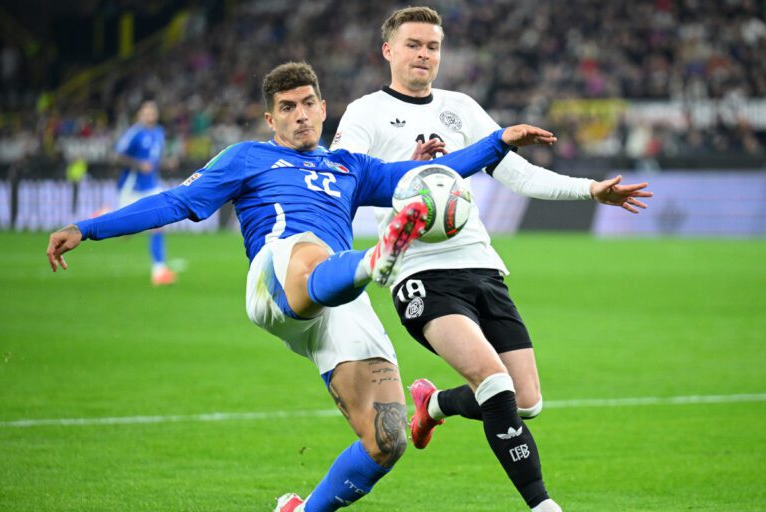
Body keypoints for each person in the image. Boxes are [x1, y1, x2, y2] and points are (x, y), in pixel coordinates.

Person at [46, 62, 550, 512]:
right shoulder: (247, 158)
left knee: (388, 437)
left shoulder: (349, 167)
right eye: (287, 108)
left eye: (308, 103)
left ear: (324, 108)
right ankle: (376, 257)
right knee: (310, 248)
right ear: (271, 119)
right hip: (278, 276)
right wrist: (88, 228)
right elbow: (178, 203)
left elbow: (421, 173)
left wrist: (498, 142)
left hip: (339, 300)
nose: (301, 115)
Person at [330, 7, 653, 512]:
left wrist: (592, 189)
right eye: (413, 44)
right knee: (493, 379)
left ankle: (433, 403)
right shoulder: (364, 113)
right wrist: (404, 176)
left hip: (481, 264)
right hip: (419, 272)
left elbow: (518, 175)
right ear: (388, 50)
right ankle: (544, 505)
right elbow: (343, 185)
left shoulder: (461, 107)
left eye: (433, 46)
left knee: (526, 401)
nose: (424, 55)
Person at [113, 100, 176, 286]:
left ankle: (159, 270)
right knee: (124, 232)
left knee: (159, 223)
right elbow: (117, 157)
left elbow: (155, 158)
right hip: (132, 187)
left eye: (152, 112)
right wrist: (138, 164)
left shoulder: (159, 133)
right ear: (140, 114)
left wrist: (166, 163)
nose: (150, 115)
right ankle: (102, 214)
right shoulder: (135, 133)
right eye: (146, 112)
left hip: (151, 186)